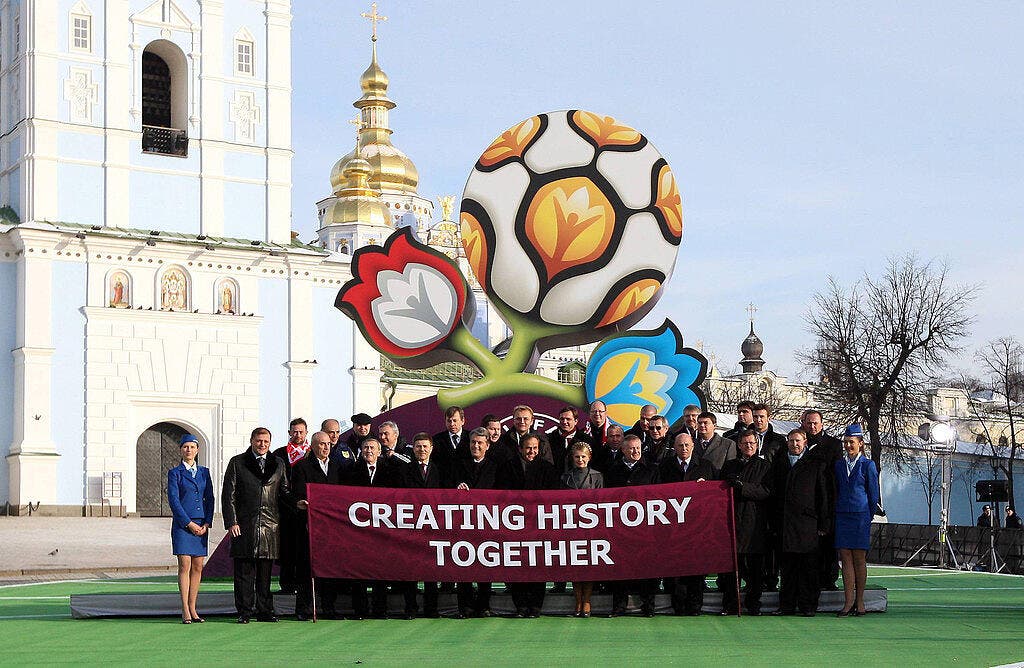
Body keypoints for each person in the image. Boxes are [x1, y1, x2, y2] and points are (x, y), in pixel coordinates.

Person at [222, 427, 291, 623]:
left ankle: (264, 610)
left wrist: (299, 503)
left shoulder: (278, 463)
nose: (262, 445)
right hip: (244, 525)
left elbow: (284, 492)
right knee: (244, 572)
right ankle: (244, 611)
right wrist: (231, 521)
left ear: (270, 443)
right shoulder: (237, 462)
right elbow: (229, 495)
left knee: (265, 574)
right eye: (259, 441)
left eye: (266, 442)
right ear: (252, 440)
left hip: (270, 526)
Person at [770, 429, 832, 617]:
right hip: (784, 525)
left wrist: (823, 524)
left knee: (808, 569)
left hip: (807, 525)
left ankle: (808, 606)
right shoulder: (779, 463)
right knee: (787, 569)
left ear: (805, 442)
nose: (794, 444)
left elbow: (823, 496)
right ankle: (786, 605)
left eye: (798, 441)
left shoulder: (816, 464)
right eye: (791, 441)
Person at [497, 433, 558, 617]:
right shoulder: (508, 467)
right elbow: (501, 493)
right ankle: (520, 605)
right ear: (520, 448)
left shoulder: (547, 468)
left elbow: (554, 496)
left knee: (538, 565)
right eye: (528, 448)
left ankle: (536, 606)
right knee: (517, 564)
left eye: (535, 448)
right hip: (514, 525)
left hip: (539, 525)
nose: (531, 452)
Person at [659, 433, 714, 616]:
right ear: (674, 447)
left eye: (687, 445)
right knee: (675, 567)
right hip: (672, 526)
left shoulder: (705, 466)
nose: (684, 449)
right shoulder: (665, 466)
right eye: (680, 445)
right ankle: (678, 605)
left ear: (693, 446)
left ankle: (695, 606)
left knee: (696, 567)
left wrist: (705, 487)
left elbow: (716, 494)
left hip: (697, 526)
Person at [291, 431, 344, 620]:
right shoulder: (302, 467)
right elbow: (296, 494)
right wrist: (301, 503)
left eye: (328, 444)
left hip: (331, 528)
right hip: (309, 526)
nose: (326, 447)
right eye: (322, 444)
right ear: (313, 446)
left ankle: (329, 607)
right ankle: (303, 608)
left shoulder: (337, 467)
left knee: (330, 567)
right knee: (306, 569)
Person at [345, 438, 400, 618]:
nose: (369, 450)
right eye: (366, 447)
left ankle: (379, 609)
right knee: (358, 569)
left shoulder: (390, 472)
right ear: (361, 451)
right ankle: (359, 609)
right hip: (358, 529)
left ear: (379, 452)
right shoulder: (351, 471)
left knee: (380, 568)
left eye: (372, 448)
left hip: (381, 529)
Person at [719, 430, 772, 616]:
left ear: (756, 445)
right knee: (733, 567)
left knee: (756, 568)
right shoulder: (730, 466)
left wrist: (743, 487)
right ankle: (731, 603)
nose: (749, 446)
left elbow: (766, 490)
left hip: (755, 522)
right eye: (745, 443)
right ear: (739, 445)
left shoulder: (765, 466)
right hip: (733, 520)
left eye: (752, 443)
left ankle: (753, 603)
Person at [605, 434, 659, 616]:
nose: (635, 451)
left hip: (646, 527)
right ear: (623, 450)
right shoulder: (613, 470)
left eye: (638, 448)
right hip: (620, 528)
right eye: (631, 448)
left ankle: (648, 606)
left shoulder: (651, 470)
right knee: (620, 567)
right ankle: (619, 606)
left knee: (647, 566)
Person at [834, 424, 881, 617]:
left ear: (860, 444)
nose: (848, 446)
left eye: (851, 442)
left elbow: (873, 493)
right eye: (845, 442)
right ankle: (848, 602)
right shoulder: (838, 465)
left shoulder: (867, 465)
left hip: (860, 516)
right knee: (845, 558)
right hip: (842, 515)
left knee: (859, 558)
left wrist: (868, 515)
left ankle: (860, 601)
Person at [167, 434, 215, 624]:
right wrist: (189, 523)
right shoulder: (175, 473)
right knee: (185, 565)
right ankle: (185, 609)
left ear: (197, 450)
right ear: (181, 449)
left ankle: (194, 608)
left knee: (198, 566)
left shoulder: (204, 472)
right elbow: (174, 500)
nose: (189, 450)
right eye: (185, 447)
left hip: (201, 524)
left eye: (192, 447)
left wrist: (207, 522)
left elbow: (210, 498)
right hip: (183, 525)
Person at [454, 428, 499, 617]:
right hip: (463, 524)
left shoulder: (496, 466)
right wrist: (456, 488)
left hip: (487, 523)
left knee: (485, 565)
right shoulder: (458, 465)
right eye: (473, 442)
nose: (476, 446)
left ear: (487, 446)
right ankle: (465, 606)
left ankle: (483, 605)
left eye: (480, 443)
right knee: (463, 564)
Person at [560, 442, 604, 617]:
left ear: (589, 457)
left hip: (591, 527)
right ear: (572, 458)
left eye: (583, 457)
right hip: (571, 526)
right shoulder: (565, 478)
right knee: (575, 565)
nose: (580, 460)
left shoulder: (597, 476)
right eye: (577, 457)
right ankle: (577, 600)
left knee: (589, 564)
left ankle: (587, 601)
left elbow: (603, 501)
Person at [801, 409, 843, 591]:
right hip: (805, 502)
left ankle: (829, 579)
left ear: (822, 424)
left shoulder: (833, 445)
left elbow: (835, 475)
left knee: (827, 544)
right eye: (809, 423)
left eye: (815, 423)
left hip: (826, 500)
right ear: (803, 423)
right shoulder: (798, 443)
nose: (812, 426)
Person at [271, 417, 309, 595]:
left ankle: (303, 584)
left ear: (306, 433)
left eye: (301, 431)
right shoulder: (279, 454)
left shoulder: (312, 452)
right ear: (289, 433)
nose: (298, 435)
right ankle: (286, 585)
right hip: (285, 508)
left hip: (307, 509)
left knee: (304, 548)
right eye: (294, 431)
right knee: (286, 548)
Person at [694, 411, 736, 476]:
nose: (702, 425)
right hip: (694, 483)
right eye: (700, 423)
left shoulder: (728, 444)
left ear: (714, 426)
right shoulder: (691, 443)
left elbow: (731, 469)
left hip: (717, 483)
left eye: (705, 423)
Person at [548, 406, 582, 473]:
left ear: (576, 421)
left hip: (577, 480)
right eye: (562, 419)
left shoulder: (586, 440)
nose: (564, 422)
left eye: (568, 419)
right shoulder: (548, 439)